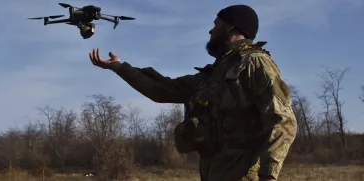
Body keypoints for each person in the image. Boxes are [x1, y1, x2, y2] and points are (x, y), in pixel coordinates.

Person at [88, 4, 297, 181]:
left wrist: (268, 175)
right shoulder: (213, 74)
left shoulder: (255, 63)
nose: (211, 31)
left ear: (232, 26)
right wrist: (120, 67)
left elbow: (283, 120)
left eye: (216, 24)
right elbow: (162, 90)